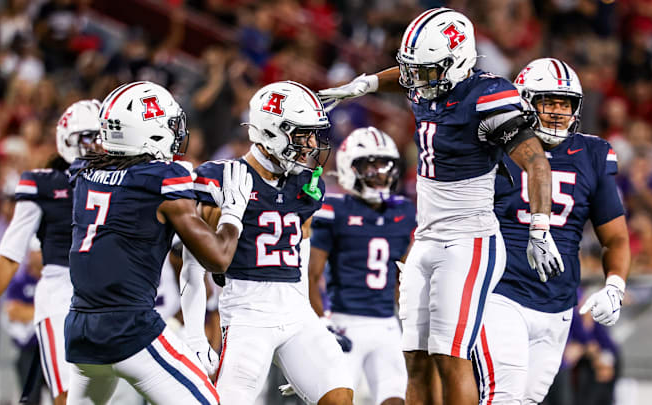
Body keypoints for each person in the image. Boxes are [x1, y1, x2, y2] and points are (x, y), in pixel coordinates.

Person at [317, 8, 561, 405]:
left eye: (428, 71)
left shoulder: (487, 96)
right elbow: (407, 79)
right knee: (414, 357)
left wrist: (539, 226)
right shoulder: (430, 81)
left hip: (469, 240)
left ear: (458, 62)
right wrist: (365, 84)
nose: (418, 81)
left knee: (451, 356)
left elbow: (536, 162)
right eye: (416, 70)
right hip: (428, 238)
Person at [64, 80, 252, 405]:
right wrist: (233, 213)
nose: (176, 131)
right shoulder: (162, 180)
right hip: (129, 328)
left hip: (80, 329)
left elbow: (132, 204)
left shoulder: (85, 173)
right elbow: (219, 258)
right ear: (148, 131)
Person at [181, 80, 354, 405]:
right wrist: (194, 336)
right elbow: (193, 264)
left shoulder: (303, 182)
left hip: (296, 312)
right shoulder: (223, 177)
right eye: (303, 134)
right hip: (248, 315)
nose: (312, 144)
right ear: (272, 131)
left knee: (340, 396)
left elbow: (301, 250)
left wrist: (313, 314)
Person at [472, 58, 630, 405]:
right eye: (548, 102)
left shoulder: (592, 153)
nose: (558, 112)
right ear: (525, 102)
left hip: (559, 305)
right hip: (501, 294)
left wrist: (615, 286)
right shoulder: (494, 149)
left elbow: (615, 236)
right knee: (502, 397)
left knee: (527, 400)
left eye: (566, 103)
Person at [0, 99, 102, 405]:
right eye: (90, 137)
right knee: (69, 396)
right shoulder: (43, 184)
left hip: (111, 294)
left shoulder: (125, 182)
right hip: (61, 290)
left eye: (103, 137)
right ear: (69, 140)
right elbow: (9, 255)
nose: (99, 145)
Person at [308, 126, 416, 405]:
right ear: (349, 167)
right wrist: (321, 324)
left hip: (387, 325)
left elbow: (403, 279)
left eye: (384, 165)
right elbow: (311, 275)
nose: (378, 172)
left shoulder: (403, 212)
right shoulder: (334, 210)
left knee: (395, 399)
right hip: (344, 322)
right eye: (369, 165)